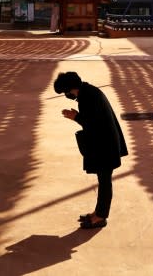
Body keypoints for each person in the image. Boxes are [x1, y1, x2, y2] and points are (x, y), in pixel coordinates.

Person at [54, 71, 128, 229]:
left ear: (70, 89)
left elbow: (93, 124)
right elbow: (94, 119)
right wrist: (77, 116)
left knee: (105, 181)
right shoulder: (88, 92)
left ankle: (100, 217)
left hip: (105, 146)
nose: (66, 95)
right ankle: (97, 213)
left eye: (65, 92)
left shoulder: (87, 97)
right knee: (103, 180)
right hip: (106, 143)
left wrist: (76, 117)